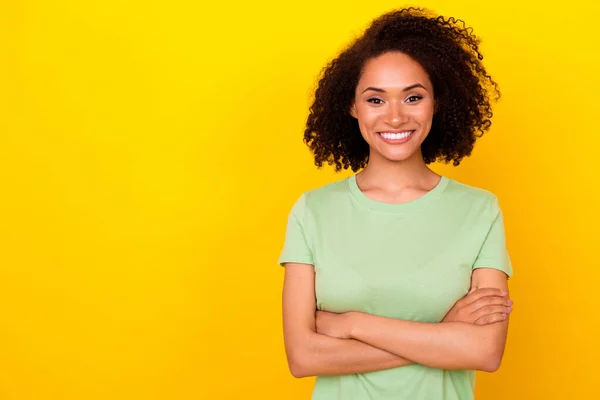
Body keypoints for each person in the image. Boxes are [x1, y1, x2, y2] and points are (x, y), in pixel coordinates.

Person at [278, 7, 514, 400]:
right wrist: (443, 337)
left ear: (436, 102)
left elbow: (484, 351)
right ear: (352, 107)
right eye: (375, 100)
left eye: (413, 97)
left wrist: (352, 323)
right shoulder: (312, 211)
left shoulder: (479, 210)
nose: (395, 116)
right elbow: (303, 357)